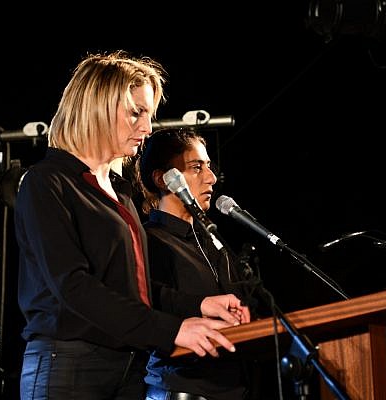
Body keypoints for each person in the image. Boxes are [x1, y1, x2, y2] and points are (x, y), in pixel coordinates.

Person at [15, 50, 251, 400]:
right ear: (96, 108)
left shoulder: (121, 193)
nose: (147, 127)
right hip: (68, 366)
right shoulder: (46, 182)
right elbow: (74, 286)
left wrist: (199, 306)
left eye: (149, 114)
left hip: (126, 367)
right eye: (136, 112)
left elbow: (127, 287)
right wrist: (174, 330)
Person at [134, 128, 256, 400]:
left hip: (234, 388)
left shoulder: (213, 240)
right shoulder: (148, 241)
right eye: (196, 168)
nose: (211, 178)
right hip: (182, 388)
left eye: (209, 167)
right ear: (163, 179)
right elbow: (147, 306)